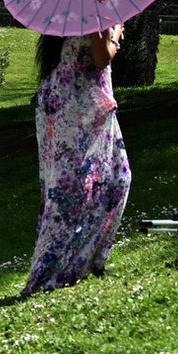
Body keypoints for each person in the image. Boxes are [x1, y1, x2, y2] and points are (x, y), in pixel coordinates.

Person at [22, 25, 130, 296]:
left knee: (118, 178)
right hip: (73, 109)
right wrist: (115, 34)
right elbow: (101, 58)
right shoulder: (90, 9)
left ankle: (85, 260)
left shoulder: (82, 6)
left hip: (86, 105)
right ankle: (46, 275)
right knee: (67, 195)